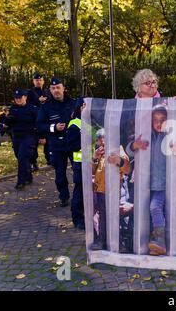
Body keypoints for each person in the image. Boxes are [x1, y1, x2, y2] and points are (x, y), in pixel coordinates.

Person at [127, 105, 176, 255]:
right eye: (155, 120)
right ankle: (152, 245)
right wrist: (134, 145)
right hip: (146, 184)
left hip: (164, 184)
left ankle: (160, 241)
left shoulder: (173, 137)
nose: (158, 123)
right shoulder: (146, 135)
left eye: (162, 120)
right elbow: (129, 150)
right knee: (144, 213)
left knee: (155, 208)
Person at [89, 129, 132, 252]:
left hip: (115, 191)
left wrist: (119, 160)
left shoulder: (118, 150)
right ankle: (102, 240)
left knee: (116, 217)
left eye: (105, 142)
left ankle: (119, 242)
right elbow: (91, 171)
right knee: (103, 216)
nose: (103, 145)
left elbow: (127, 168)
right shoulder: (98, 153)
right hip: (101, 190)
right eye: (101, 143)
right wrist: (95, 157)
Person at [36, 77, 75, 207]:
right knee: (59, 174)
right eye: (53, 88)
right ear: (50, 90)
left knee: (79, 171)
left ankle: (79, 196)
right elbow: (40, 125)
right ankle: (63, 196)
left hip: (74, 144)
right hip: (56, 145)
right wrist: (54, 128)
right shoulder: (46, 107)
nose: (56, 90)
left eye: (58, 87)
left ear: (63, 88)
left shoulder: (74, 103)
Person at [3, 90, 38, 190]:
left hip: (28, 137)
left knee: (22, 158)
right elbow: (6, 123)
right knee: (20, 158)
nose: (18, 99)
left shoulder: (32, 109)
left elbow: (39, 122)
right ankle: (28, 176)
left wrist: (41, 137)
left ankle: (20, 182)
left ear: (25, 97)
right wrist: (7, 119)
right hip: (16, 137)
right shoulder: (13, 109)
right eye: (16, 98)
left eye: (20, 97)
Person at [66, 98, 86, 230]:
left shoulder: (92, 122)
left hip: (93, 163)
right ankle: (77, 219)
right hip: (80, 163)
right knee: (80, 191)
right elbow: (72, 146)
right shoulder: (75, 124)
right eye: (84, 106)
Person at [28, 72, 51, 167]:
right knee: (34, 143)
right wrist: (38, 101)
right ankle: (34, 163)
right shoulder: (30, 92)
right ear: (33, 81)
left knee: (48, 142)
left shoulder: (47, 91)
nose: (39, 82)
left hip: (47, 120)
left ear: (43, 81)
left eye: (40, 80)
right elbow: (27, 104)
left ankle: (50, 160)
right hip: (35, 121)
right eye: (37, 80)